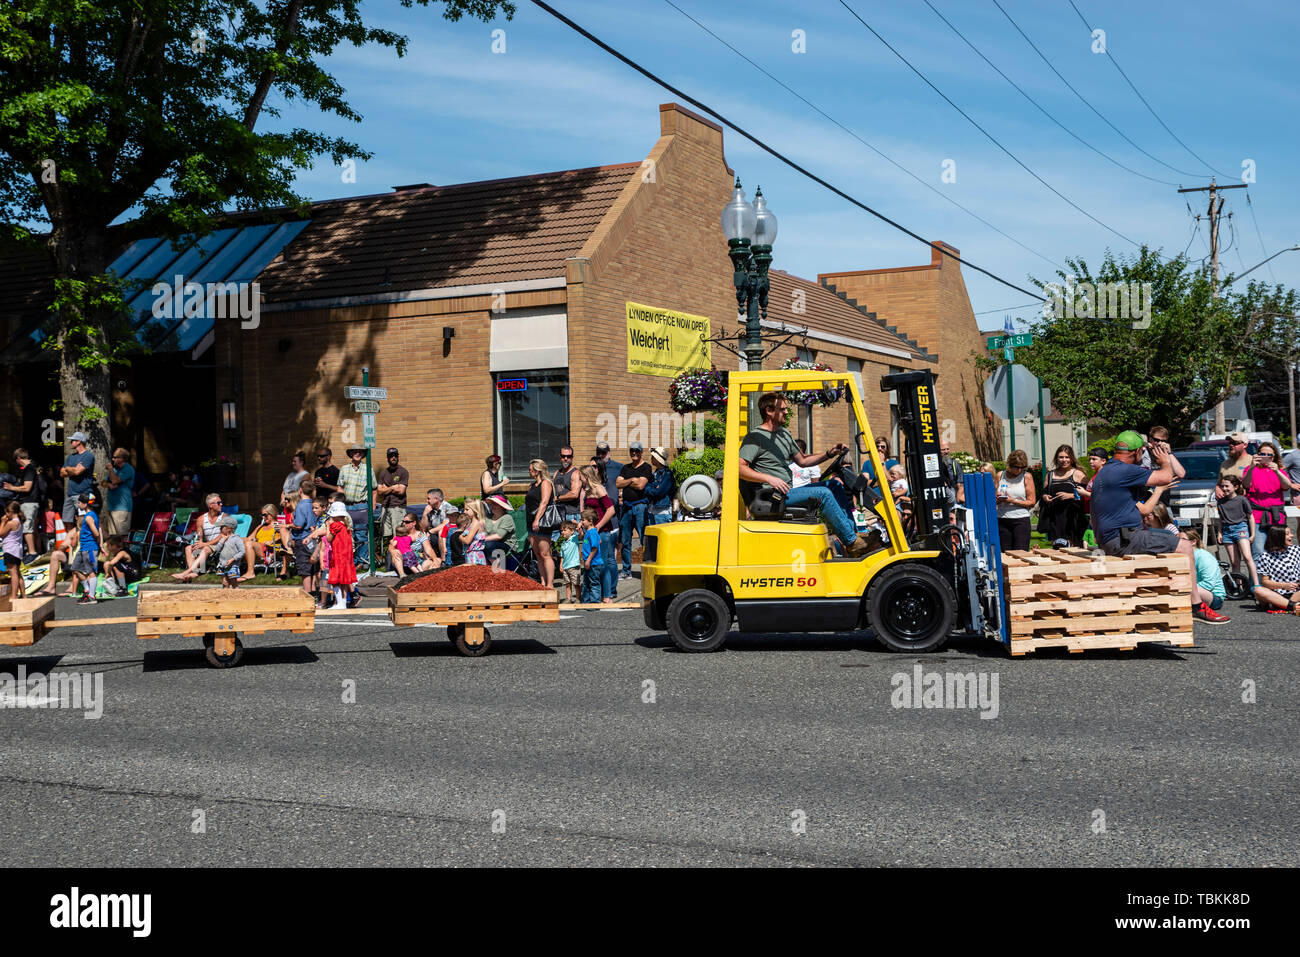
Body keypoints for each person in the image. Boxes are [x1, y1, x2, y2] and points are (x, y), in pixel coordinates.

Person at [738, 391, 873, 557]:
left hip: (787, 492)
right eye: (783, 409)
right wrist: (769, 478)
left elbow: (802, 460)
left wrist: (829, 454)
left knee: (835, 485)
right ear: (769, 411)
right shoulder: (755, 437)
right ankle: (851, 541)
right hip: (772, 496)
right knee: (823, 493)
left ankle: (853, 535)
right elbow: (739, 467)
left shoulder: (784, 434)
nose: (787, 412)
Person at [1241, 441, 1296, 562]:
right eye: (1262, 454)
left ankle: (1277, 580)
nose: (1265, 457)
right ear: (1257, 455)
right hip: (1257, 517)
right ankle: (1256, 581)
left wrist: (1277, 471)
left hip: (1277, 517)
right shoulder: (1250, 469)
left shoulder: (1279, 471)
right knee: (1258, 552)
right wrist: (1251, 467)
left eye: (1269, 455)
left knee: (1278, 551)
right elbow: (1245, 484)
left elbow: (1287, 486)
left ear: (1274, 456)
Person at [616, 442, 655, 578]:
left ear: (641, 452)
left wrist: (627, 482)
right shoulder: (625, 468)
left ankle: (646, 570)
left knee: (644, 539)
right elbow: (617, 483)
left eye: (637, 451)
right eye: (632, 451)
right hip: (626, 507)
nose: (634, 453)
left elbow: (641, 486)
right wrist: (633, 479)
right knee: (625, 540)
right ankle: (626, 571)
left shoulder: (646, 467)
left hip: (641, 507)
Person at [580, 464, 618, 602]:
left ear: (587, 476)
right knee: (595, 565)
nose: (580, 480)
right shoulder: (588, 491)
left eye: (581, 477)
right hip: (591, 532)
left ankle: (607, 596)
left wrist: (598, 526)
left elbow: (611, 510)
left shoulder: (599, 489)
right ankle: (596, 594)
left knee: (603, 565)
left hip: (602, 531)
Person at [1037, 444, 1087, 548]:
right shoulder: (1050, 475)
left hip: (1073, 520)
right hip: (1055, 520)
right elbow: (1043, 493)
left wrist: (1071, 495)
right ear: (1056, 458)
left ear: (1071, 458)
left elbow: (1087, 496)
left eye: (1067, 457)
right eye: (1061, 457)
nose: (1064, 460)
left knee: (1074, 551)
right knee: (1057, 549)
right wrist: (1045, 497)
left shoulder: (1078, 474)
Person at [1216, 475, 1259, 588]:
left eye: (1227, 486)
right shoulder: (1220, 502)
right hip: (1227, 531)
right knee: (1235, 562)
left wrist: (1253, 534)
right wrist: (1219, 532)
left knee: (1247, 557)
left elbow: (1250, 517)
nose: (1224, 488)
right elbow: (1221, 519)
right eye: (1222, 486)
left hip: (1240, 528)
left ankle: (1256, 585)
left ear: (1235, 487)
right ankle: (1238, 587)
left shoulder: (1242, 499)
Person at [173, 493, 224, 580]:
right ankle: (195, 572)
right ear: (211, 505)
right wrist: (198, 543)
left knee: (206, 548)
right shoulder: (201, 519)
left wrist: (204, 544)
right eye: (219, 503)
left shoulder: (224, 517)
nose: (221, 504)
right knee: (189, 548)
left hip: (221, 545)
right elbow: (199, 536)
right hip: (208, 545)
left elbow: (222, 536)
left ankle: (187, 572)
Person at [1183, 529, 1230, 623]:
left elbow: (1208, 584)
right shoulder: (1184, 556)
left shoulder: (1204, 557)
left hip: (1215, 597)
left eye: (1183, 540)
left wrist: (1184, 589)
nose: (1179, 543)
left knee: (1186, 587)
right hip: (1198, 592)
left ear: (1193, 542)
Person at [994, 450, 1037, 551]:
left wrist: (1013, 500)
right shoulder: (1000, 475)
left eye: (1022, 467)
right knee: (1004, 554)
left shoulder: (1026, 477)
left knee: (1020, 553)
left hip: (1020, 520)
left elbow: (1032, 502)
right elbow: (991, 499)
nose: (1019, 470)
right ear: (1009, 464)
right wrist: (998, 499)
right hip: (1002, 518)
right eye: (1016, 467)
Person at [1252, 525, 1300, 614]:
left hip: (1296, 593)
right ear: (1278, 537)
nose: (1292, 536)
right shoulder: (1265, 556)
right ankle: (1293, 606)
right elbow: (1265, 582)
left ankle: (1291, 605)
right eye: (1287, 534)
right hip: (1276, 595)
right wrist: (1284, 585)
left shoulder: (1296, 550)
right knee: (1258, 590)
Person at [525, 460, 557, 588]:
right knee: (537, 554)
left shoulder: (546, 483)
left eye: (531, 469)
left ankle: (550, 584)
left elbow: (544, 502)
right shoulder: (532, 485)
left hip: (542, 522)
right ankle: (542, 582)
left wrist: (537, 519)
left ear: (537, 470)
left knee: (545, 553)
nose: (529, 471)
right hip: (530, 521)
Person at [4, 448, 41, 560]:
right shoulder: (32, 467)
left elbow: (27, 487)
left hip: (29, 502)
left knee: (27, 528)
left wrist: (11, 488)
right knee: (32, 528)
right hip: (32, 502)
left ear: (19, 458)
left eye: (16, 460)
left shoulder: (29, 469)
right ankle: (36, 551)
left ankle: (32, 552)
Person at [69, 493, 101, 604]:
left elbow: (96, 533)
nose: (78, 504)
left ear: (85, 504)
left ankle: (92, 597)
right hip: (83, 548)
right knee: (75, 568)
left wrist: (98, 545)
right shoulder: (91, 515)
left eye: (79, 503)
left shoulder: (89, 517)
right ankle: (87, 590)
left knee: (91, 572)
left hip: (90, 548)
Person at [324, 502, 357, 609]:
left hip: (338, 557)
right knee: (344, 581)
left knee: (335, 580)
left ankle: (339, 603)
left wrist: (328, 526)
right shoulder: (345, 525)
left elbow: (329, 539)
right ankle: (342, 603)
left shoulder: (335, 525)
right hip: (346, 557)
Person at [290, 479, 319, 600]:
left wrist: (288, 525)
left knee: (304, 569)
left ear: (300, 490)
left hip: (302, 539)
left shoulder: (300, 505)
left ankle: (308, 596)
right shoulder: (313, 504)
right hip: (313, 538)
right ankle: (315, 592)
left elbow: (299, 525)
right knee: (313, 568)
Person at [59, 432, 95, 526]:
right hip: (70, 493)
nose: (71, 442)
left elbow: (77, 472)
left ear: (79, 441)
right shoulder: (71, 457)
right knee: (66, 520)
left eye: (73, 440)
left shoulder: (88, 456)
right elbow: (62, 473)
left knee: (83, 520)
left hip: (83, 493)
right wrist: (72, 469)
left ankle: (82, 539)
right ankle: (74, 539)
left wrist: (68, 469)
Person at [375, 448, 409, 547]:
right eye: (391, 456)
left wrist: (386, 488)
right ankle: (390, 558)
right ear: (387, 458)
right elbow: (379, 491)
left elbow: (401, 490)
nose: (393, 458)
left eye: (395, 456)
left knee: (398, 535)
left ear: (398, 457)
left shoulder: (403, 472)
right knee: (386, 536)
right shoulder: (383, 473)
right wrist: (393, 487)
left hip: (398, 507)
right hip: (385, 507)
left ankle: (401, 556)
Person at [101, 448, 135, 537]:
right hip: (112, 507)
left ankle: (124, 551)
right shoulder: (116, 470)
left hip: (122, 508)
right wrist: (109, 485)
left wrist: (111, 469)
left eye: (115, 457)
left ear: (122, 459)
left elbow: (115, 480)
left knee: (121, 536)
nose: (113, 459)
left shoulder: (128, 469)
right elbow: (103, 482)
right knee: (113, 536)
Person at [482, 494, 519, 567]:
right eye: (491, 504)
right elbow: (482, 531)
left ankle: (498, 569)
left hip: (506, 544)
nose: (492, 506)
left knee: (489, 544)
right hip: (490, 543)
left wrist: (481, 539)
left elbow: (499, 536)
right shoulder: (488, 518)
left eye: (496, 504)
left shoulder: (507, 518)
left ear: (502, 506)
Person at [213, 515, 246, 589]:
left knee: (233, 581)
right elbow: (217, 550)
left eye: (221, 527)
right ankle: (225, 597)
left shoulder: (236, 539)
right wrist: (222, 541)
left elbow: (242, 551)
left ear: (229, 528)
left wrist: (233, 559)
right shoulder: (222, 539)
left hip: (233, 565)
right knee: (225, 582)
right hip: (222, 565)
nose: (220, 529)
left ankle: (236, 596)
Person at [553, 446, 584, 524]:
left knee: (572, 537)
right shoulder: (556, 473)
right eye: (563, 456)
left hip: (571, 514)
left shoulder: (576, 473)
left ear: (572, 458)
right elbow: (554, 491)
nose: (566, 459)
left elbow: (574, 494)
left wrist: (558, 498)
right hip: (558, 513)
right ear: (560, 457)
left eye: (569, 456)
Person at [645, 447, 675, 525]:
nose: (651, 458)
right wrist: (653, 487)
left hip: (662, 512)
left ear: (657, 459)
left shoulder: (667, 474)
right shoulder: (655, 473)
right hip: (651, 510)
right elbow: (646, 487)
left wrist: (651, 488)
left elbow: (659, 492)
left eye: (653, 457)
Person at [1, 501, 24, 598]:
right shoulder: (19, 521)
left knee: (13, 574)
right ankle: (24, 595)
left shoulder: (11, 523)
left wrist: (2, 522)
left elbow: (1, 533)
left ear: (11, 511)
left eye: (6, 512)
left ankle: (14, 596)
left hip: (10, 550)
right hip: (17, 550)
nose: (5, 515)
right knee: (18, 574)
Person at [458, 499, 488, 566]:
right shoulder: (472, 523)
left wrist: (460, 537)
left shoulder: (476, 523)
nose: (464, 512)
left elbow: (467, 540)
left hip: (475, 556)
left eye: (467, 509)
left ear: (474, 510)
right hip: (471, 554)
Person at [557, 520, 582, 601]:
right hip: (565, 567)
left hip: (574, 566)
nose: (562, 532)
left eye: (565, 530)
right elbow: (562, 556)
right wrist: (561, 565)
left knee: (576, 584)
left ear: (572, 531)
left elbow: (582, 536)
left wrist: (578, 526)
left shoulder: (574, 539)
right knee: (567, 584)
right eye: (561, 530)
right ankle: (568, 599)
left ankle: (578, 599)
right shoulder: (563, 543)